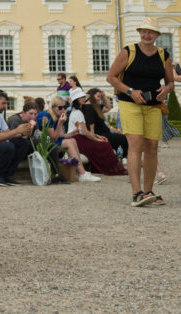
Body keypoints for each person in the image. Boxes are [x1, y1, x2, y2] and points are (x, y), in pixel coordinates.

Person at [106, 17, 175, 207]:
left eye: (151, 32)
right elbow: (111, 77)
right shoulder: (129, 51)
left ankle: (148, 191)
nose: (146, 35)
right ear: (139, 33)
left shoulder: (163, 55)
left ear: (156, 35)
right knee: (136, 145)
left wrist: (167, 89)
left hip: (153, 106)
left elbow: (170, 81)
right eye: (143, 31)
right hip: (130, 104)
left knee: (152, 147)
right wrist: (129, 91)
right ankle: (136, 193)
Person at [63, 88, 121, 178]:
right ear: (76, 100)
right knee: (103, 145)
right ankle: (109, 168)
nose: (83, 98)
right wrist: (97, 139)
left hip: (80, 138)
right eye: (80, 97)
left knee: (104, 143)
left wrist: (97, 136)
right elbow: (85, 132)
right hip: (78, 140)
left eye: (83, 97)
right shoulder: (77, 113)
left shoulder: (79, 111)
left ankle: (110, 167)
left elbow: (84, 131)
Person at [84, 88, 128, 157]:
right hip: (101, 135)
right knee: (124, 139)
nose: (99, 99)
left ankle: (122, 157)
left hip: (105, 133)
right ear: (91, 96)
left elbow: (108, 108)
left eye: (100, 97)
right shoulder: (89, 108)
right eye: (98, 96)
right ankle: (124, 157)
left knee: (123, 138)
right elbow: (90, 126)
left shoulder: (95, 107)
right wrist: (95, 139)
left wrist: (104, 96)